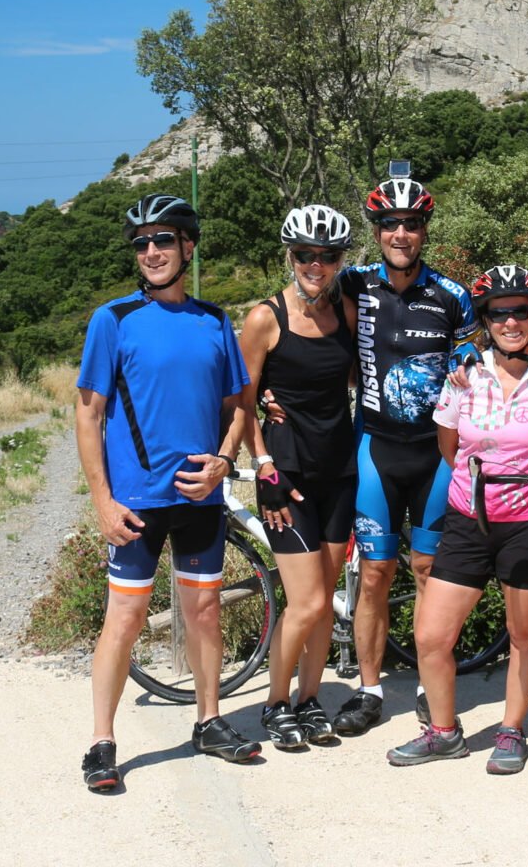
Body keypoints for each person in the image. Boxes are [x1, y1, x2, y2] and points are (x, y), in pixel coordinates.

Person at [76, 193, 260, 793]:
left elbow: (238, 405)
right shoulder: (115, 319)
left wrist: (224, 462)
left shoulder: (213, 321)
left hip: (200, 499)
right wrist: (102, 501)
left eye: (163, 240)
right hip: (135, 503)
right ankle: (102, 742)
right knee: (124, 619)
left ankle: (209, 721)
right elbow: (87, 414)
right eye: (141, 243)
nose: (151, 251)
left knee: (205, 613)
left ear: (188, 246)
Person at [385, 265, 528, 773]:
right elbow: (449, 447)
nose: (511, 321)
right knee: (430, 636)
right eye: (499, 313)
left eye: (521, 311)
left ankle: (513, 730)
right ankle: (444, 732)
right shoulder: (463, 377)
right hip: (469, 519)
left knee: (524, 636)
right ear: (485, 320)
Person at [330, 174, 476, 737]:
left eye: (411, 223)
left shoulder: (452, 296)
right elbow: (311, 335)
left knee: (428, 571)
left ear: (423, 231)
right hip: (375, 448)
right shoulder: (353, 285)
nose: (400, 232)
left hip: (437, 456)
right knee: (374, 574)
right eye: (389, 222)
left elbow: (473, 371)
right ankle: (368, 690)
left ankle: (426, 682)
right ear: (376, 230)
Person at [238, 205, 359, 751]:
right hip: (286, 477)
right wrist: (262, 464)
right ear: (290, 257)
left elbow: (360, 378)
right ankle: (274, 703)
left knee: (326, 596)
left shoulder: (346, 313)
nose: (317, 264)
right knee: (306, 601)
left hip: (340, 470)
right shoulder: (265, 318)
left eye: (327, 256)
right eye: (306, 255)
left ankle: (310, 701)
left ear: (339, 261)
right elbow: (240, 402)